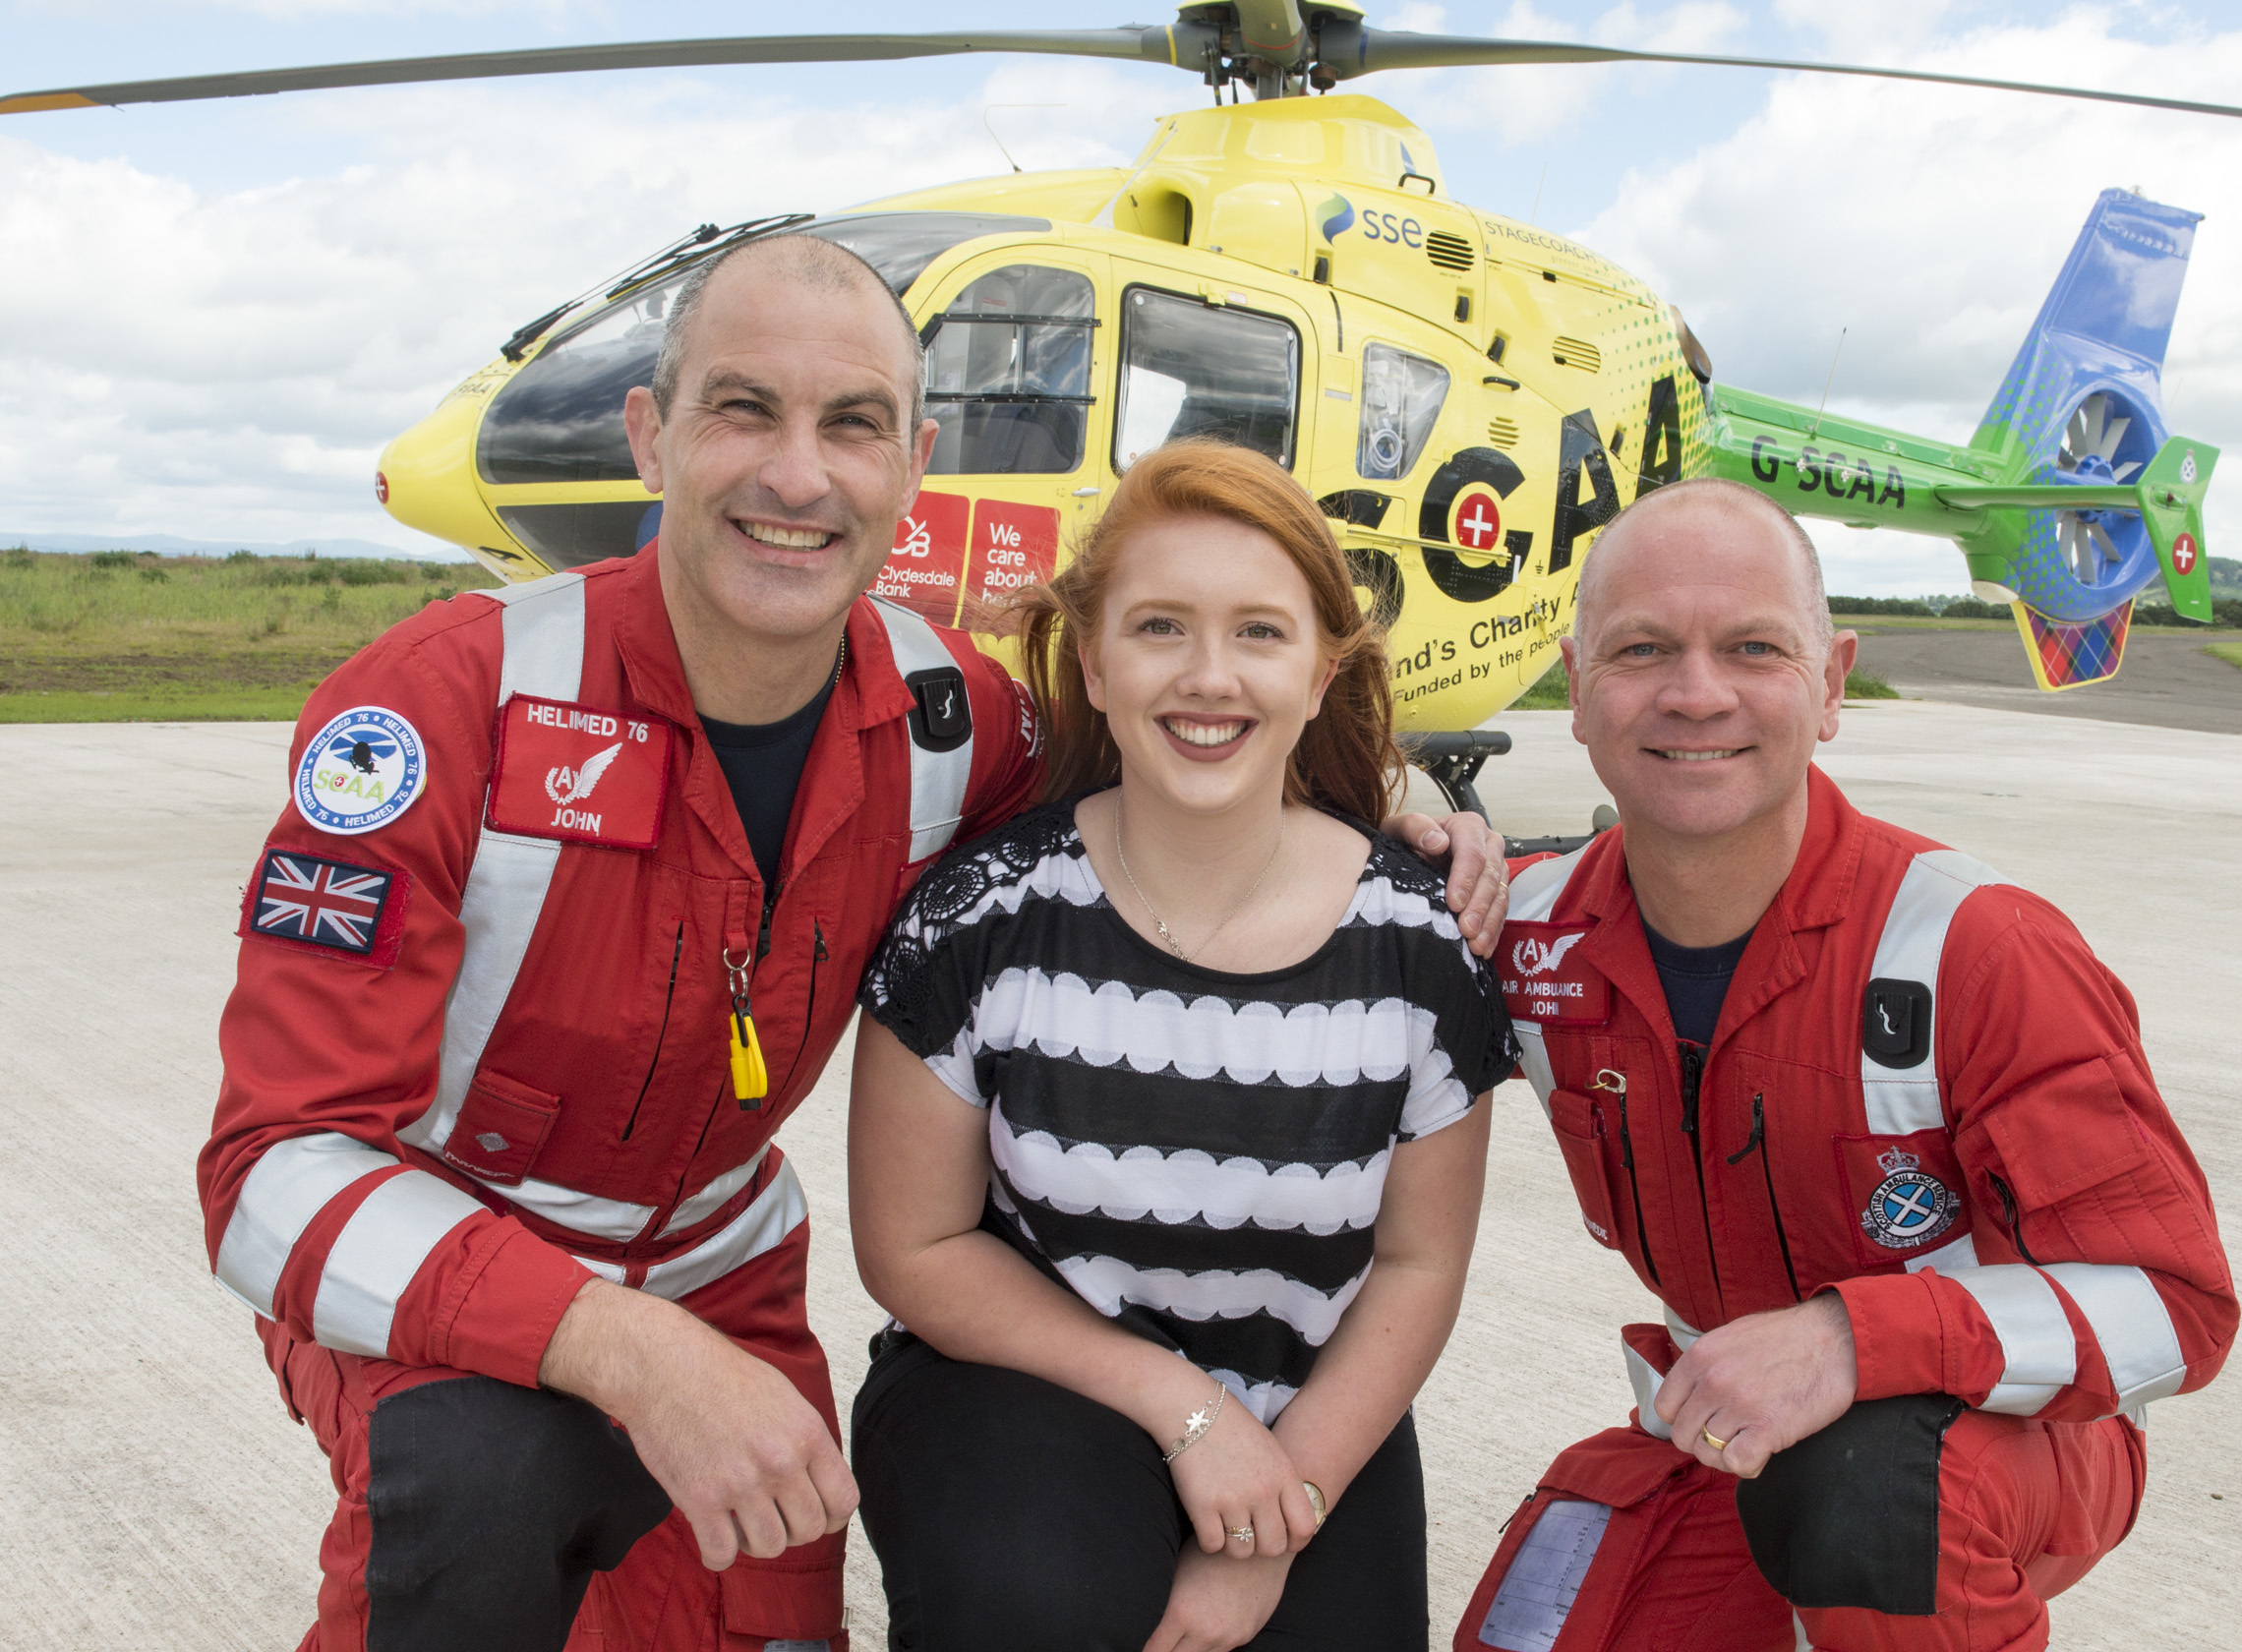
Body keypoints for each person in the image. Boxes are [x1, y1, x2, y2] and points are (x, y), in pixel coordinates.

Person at [200, 233, 1510, 1652]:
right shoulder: (452, 701)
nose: (799, 475)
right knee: (480, 1483)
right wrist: (623, 1351)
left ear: (914, 464)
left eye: (853, 425)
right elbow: (270, 1169)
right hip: (458, 1260)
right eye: (744, 410)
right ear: (651, 435)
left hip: (715, 1265)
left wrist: (1396, 814)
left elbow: (1186, 758)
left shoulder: (953, 718)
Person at [1456, 478, 2237, 1652]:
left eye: (1754, 648)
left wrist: (1850, 1340)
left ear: (1831, 685)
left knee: (1870, 1503)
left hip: (1999, 1442)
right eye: (1643, 649)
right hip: (1736, 1429)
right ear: (1577, 688)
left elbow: (2180, 1309)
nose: (1696, 692)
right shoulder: (1522, 933)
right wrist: (1407, 858)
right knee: (1534, 1625)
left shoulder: (1978, 949)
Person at [846, 441, 1520, 1652]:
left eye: (1260, 632)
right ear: (1093, 663)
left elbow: (1419, 1267)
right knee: (1039, 1603)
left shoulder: (1419, 945)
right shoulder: (976, 921)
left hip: (1313, 1404)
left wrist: (1283, 1513)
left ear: (1322, 672)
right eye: (1161, 627)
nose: (1210, 677)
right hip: (1020, 1386)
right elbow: (914, 1246)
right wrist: (1187, 1412)